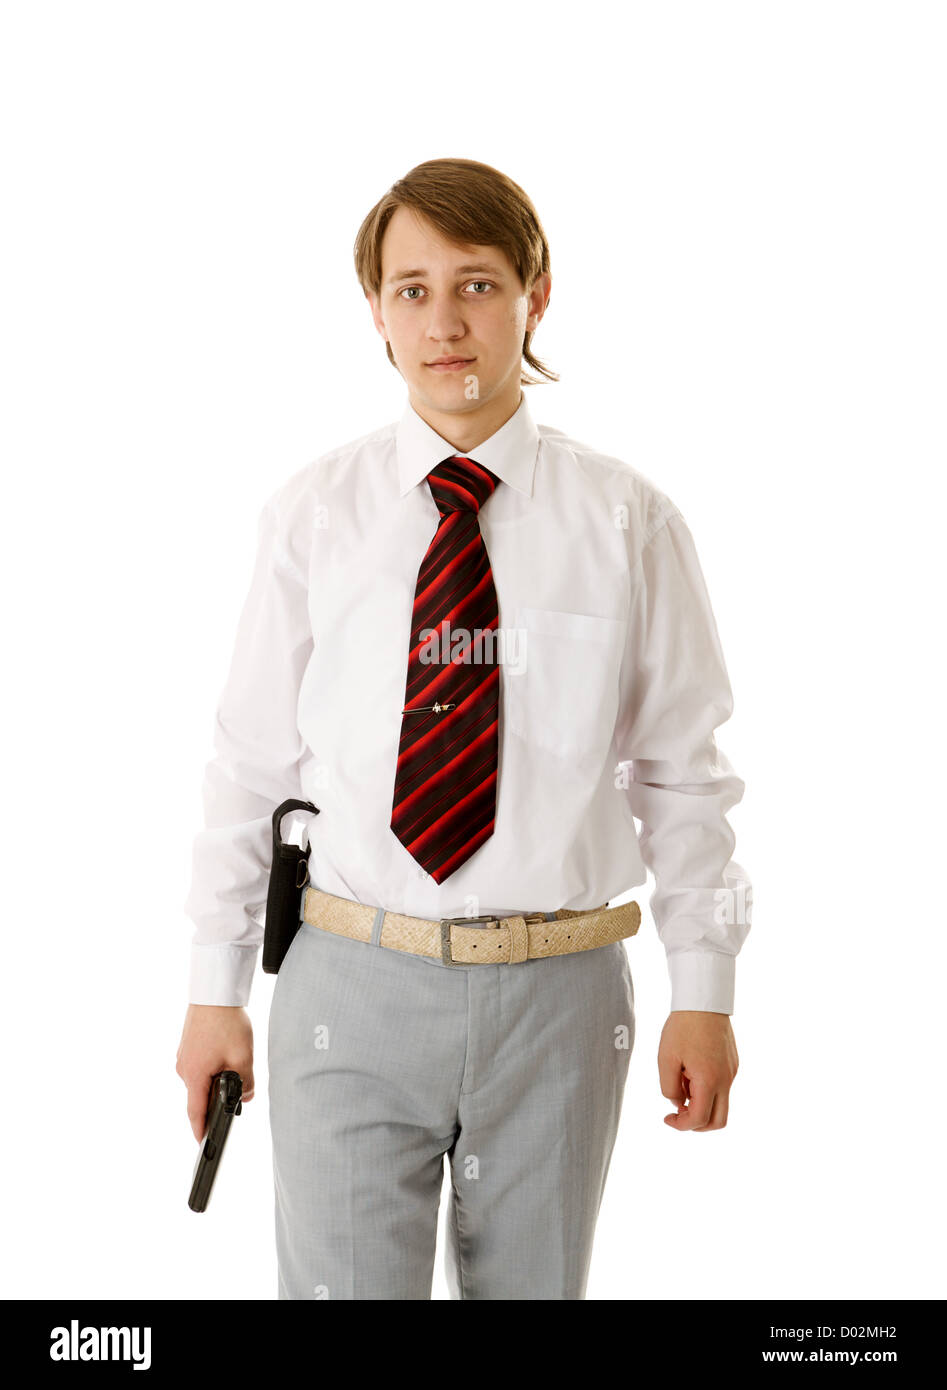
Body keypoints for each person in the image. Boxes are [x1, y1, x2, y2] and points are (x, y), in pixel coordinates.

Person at [176, 156, 751, 1301]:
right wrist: (213, 986)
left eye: (478, 284)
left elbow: (681, 774)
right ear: (377, 315)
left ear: (537, 296)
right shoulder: (314, 517)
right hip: (350, 980)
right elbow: (249, 764)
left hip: (558, 994)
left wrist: (705, 988)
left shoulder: (627, 522)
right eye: (411, 289)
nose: (445, 321)